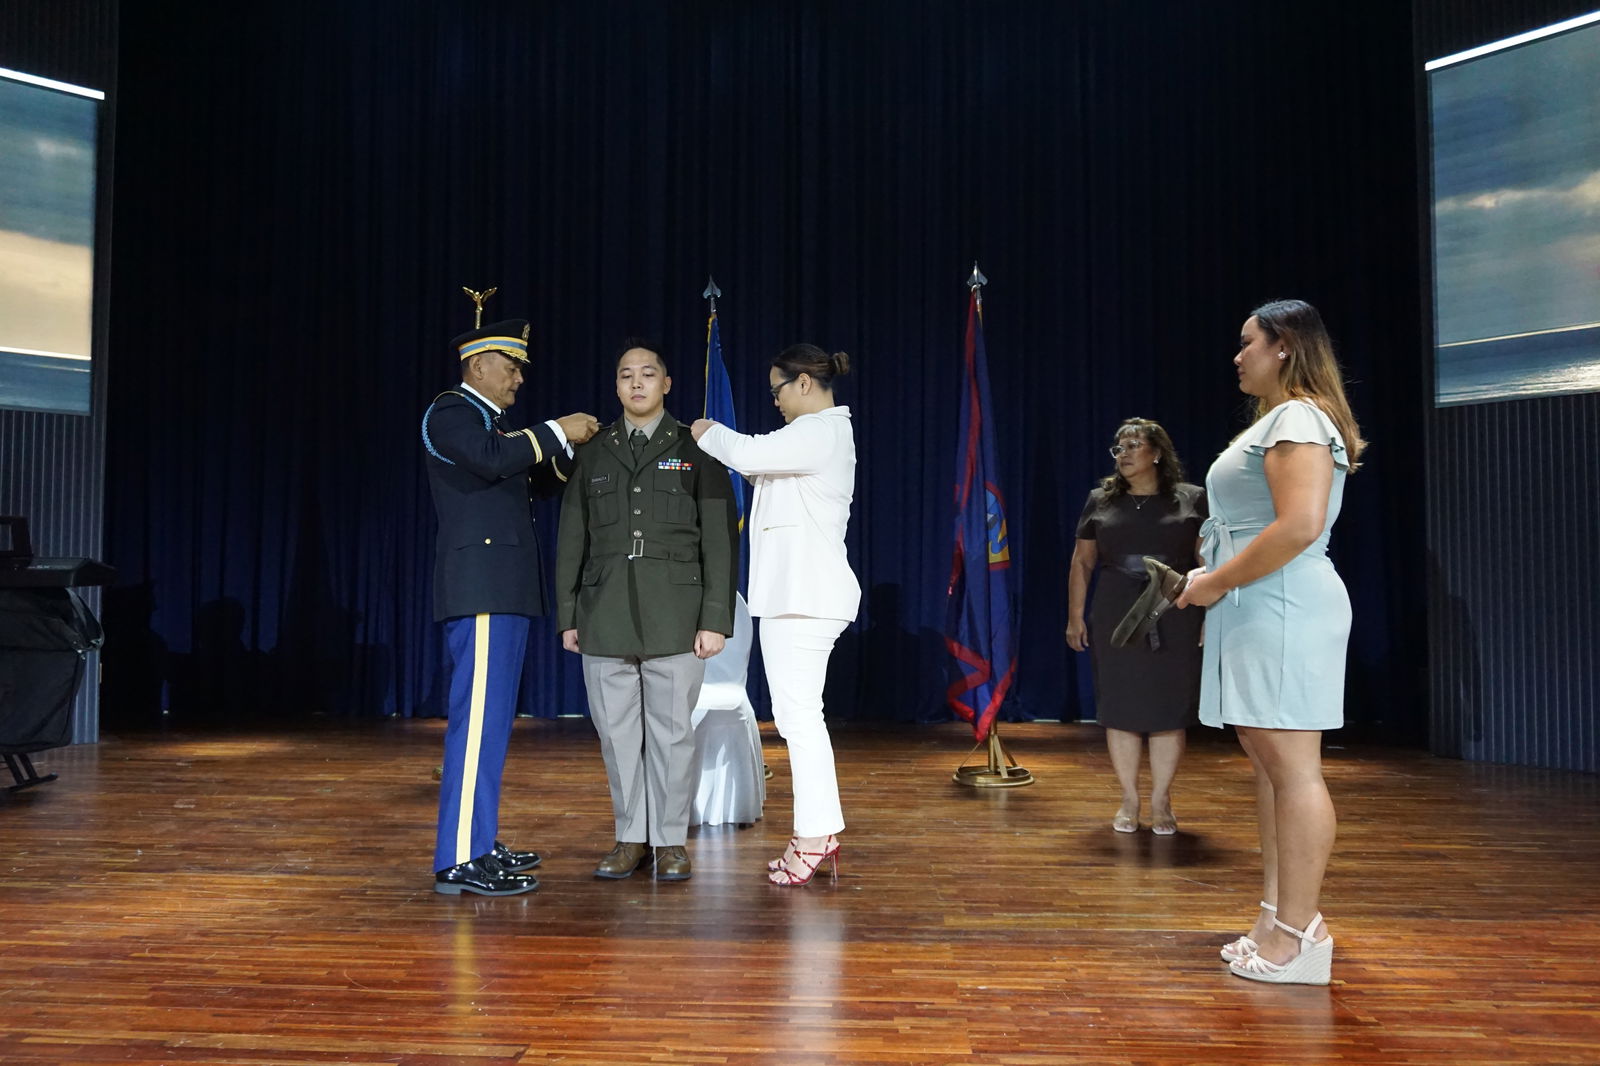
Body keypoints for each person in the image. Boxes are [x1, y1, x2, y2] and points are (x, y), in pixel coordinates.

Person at [1175, 298, 1365, 985]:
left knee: (1292, 769)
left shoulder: (1299, 417)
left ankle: (1299, 935)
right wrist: (1216, 571)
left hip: (1282, 604)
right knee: (1269, 766)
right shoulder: (1280, 419)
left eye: (1247, 341)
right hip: (1257, 600)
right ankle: (1276, 916)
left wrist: (1216, 582)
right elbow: (1260, 521)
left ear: (1283, 345)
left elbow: (1299, 525)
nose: (1238, 354)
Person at [421, 317, 599, 896]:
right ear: (477, 365)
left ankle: (478, 840)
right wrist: (556, 428)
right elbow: (495, 459)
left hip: (505, 588)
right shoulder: (451, 413)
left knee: (492, 724)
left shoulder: (493, 426)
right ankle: (458, 857)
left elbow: (535, 481)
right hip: (482, 588)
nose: (519, 377)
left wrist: (568, 446)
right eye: (511, 366)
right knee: (476, 726)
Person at [554, 339, 739, 882]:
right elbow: (572, 539)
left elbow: (719, 541)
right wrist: (569, 614)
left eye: (648, 374)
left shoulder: (697, 447)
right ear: (616, 387)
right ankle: (631, 837)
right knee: (615, 735)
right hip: (604, 611)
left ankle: (671, 842)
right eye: (626, 375)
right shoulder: (592, 450)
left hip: (676, 614)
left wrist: (714, 619)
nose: (637, 383)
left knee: (672, 734)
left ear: (666, 384)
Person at [691, 343, 859, 886]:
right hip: (796, 597)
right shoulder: (814, 435)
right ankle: (817, 832)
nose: (776, 402)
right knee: (797, 719)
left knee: (801, 720)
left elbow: (746, 453)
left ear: (804, 383)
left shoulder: (820, 432)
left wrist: (705, 431)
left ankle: (815, 837)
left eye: (778, 390)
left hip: (806, 599)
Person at [1066, 419, 1206, 835]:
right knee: (1121, 709)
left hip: (1174, 608)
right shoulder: (1100, 500)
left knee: (1168, 711)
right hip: (1115, 610)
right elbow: (1082, 561)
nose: (1123, 454)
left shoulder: (1191, 498)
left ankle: (1162, 799)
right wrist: (1075, 616)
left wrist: (1209, 615)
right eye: (1118, 447)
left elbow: (1206, 565)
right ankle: (1129, 798)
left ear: (1157, 452)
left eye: (1133, 445)